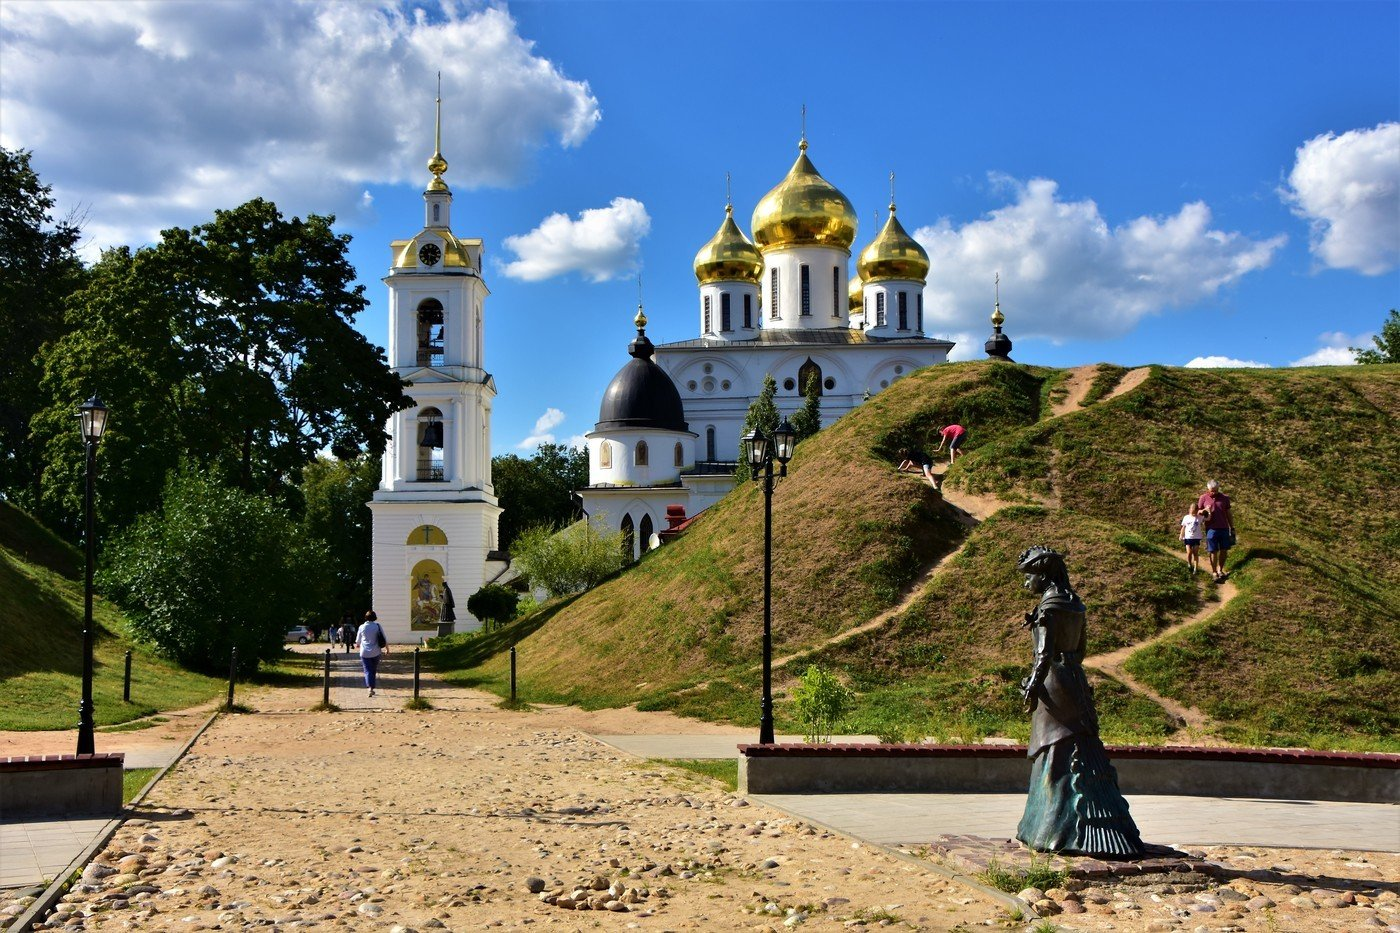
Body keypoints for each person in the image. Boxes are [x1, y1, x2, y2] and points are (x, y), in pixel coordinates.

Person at [1014, 546, 1143, 857]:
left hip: (1053, 684)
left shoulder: (1048, 608)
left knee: (1054, 751)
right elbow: (1081, 651)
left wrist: (1031, 686)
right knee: (1076, 747)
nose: (1025, 583)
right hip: (1075, 680)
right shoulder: (1075, 604)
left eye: (1029, 576)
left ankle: (1050, 830)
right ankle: (1091, 825)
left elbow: (1043, 654)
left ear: (1042, 575)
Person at [1196, 479, 1235, 583]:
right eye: (1212, 490)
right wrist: (1204, 511)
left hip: (1224, 528)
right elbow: (1198, 512)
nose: (1214, 492)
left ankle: (1220, 570)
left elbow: (1229, 514)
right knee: (1213, 551)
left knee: (1224, 550)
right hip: (1211, 529)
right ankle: (1214, 572)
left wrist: (1232, 527)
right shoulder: (1203, 498)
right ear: (1208, 489)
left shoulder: (1225, 498)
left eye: (1216, 490)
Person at [354, 610, 389, 697]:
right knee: (373, 670)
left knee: (367, 670)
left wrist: (357, 645)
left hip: (364, 652)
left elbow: (357, 641)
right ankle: (371, 687)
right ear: (375, 617)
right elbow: (384, 638)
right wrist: (387, 649)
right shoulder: (377, 626)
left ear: (366, 617)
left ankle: (370, 688)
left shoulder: (362, 627)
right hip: (376, 652)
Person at [1178, 502, 1205, 574]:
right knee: (1189, 552)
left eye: (1195, 511)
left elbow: (1208, 518)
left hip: (1196, 537)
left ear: (1197, 510)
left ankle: (1195, 568)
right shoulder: (1186, 517)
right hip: (1188, 537)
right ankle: (1189, 563)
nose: (1194, 513)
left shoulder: (1199, 517)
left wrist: (1207, 510)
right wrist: (1181, 535)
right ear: (1189, 510)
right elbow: (1183, 527)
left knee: (1195, 553)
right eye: (1192, 511)